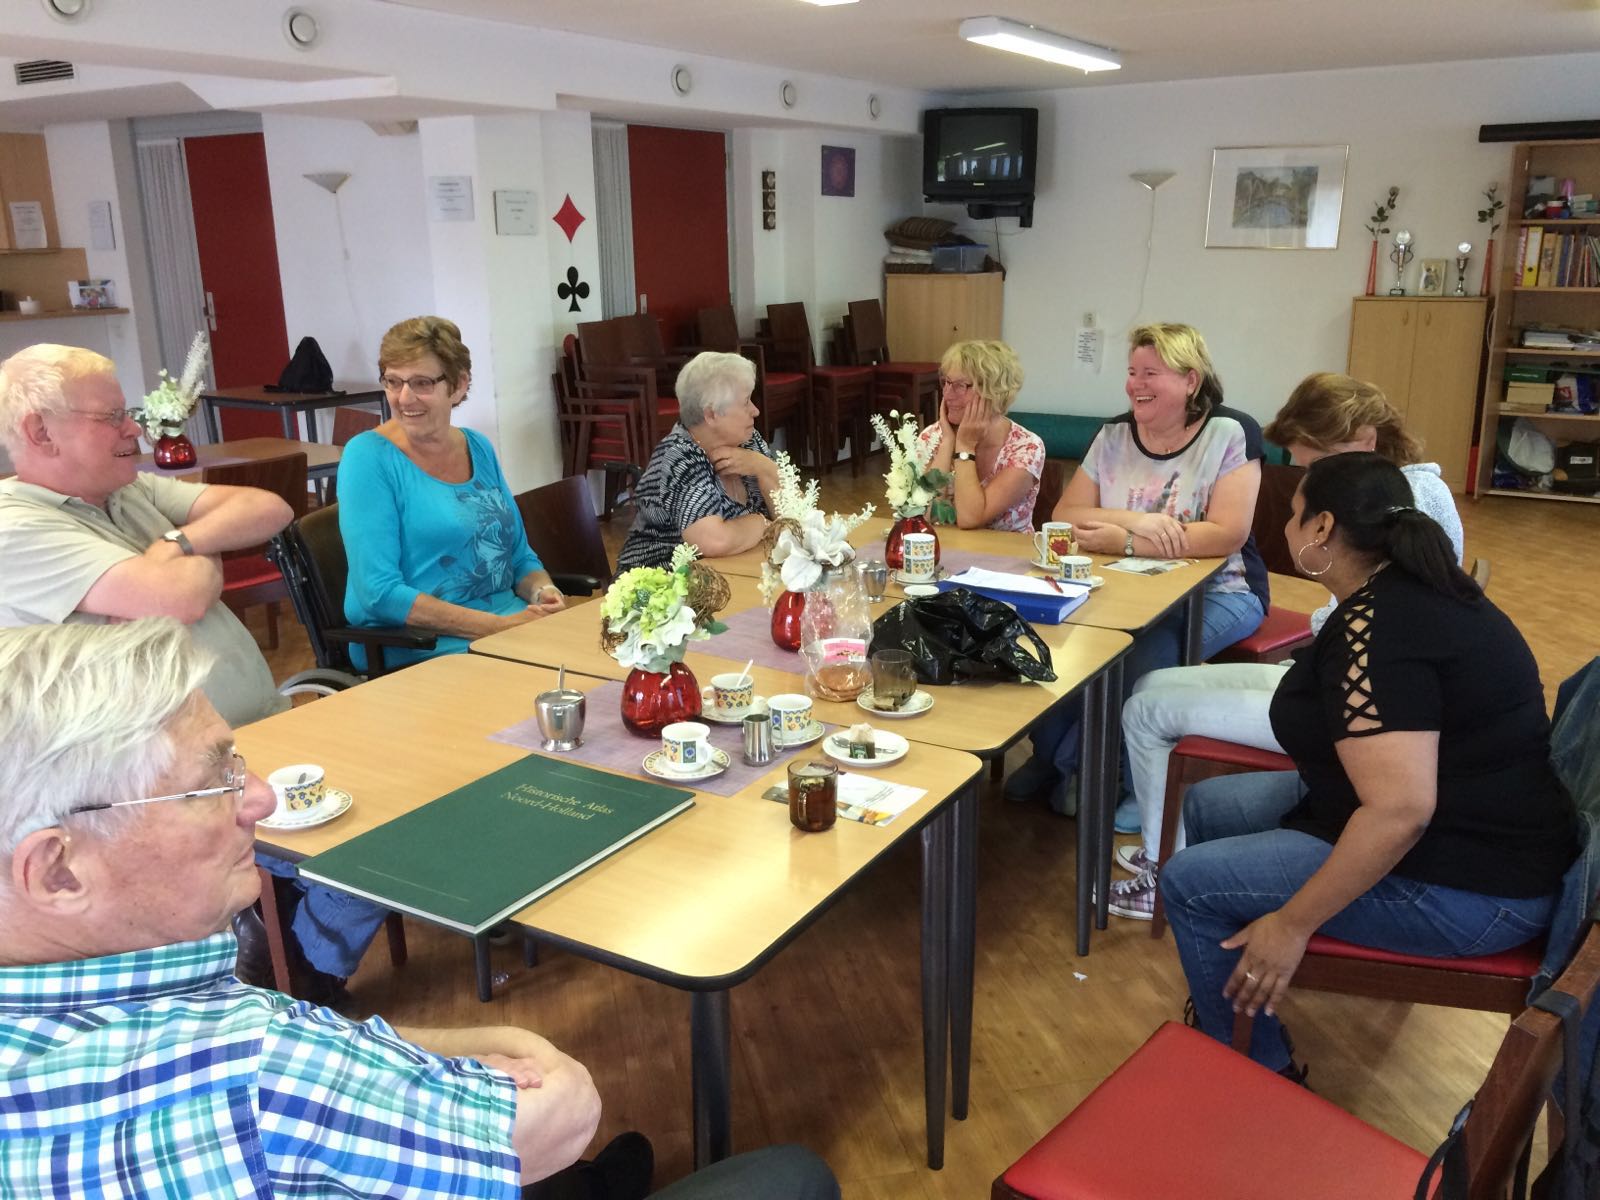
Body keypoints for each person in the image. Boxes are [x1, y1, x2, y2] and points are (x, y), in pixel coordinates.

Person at [0, 619, 841, 1199]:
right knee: (791, 1175)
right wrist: (534, 1062)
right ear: (59, 871)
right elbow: (559, 1118)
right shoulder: (252, 1070)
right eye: (212, 781)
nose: (256, 796)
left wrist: (411, 1046)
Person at [1161, 453, 1577, 1073]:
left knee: (1189, 883)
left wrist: (1294, 924)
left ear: (1323, 528)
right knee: (1208, 805)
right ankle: (1237, 996)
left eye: (1296, 513)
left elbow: (1402, 811)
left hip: (1475, 887)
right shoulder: (1404, 590)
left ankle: (1258, 1069)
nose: (1286, 526)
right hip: (1465, 831)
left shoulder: (1378, 634)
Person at [1107, 372, 1466, 919]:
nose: (1307, 482)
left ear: (1365, 442)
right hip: (1330, 675)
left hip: (1351, 708)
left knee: (1145, 709)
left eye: (1314, 466)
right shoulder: (1398, 495)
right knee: (1152, 684)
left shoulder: (1406, 504)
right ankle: (1172, 853)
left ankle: (1164, 872)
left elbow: (1377, 648)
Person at [1004, 323, 1267, 816]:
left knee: (1135, 665)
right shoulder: (1113, 434)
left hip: (1223, 591)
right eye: (1131, 372)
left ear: (1191, 380)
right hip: (1120, 588)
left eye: (1151, 373)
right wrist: (1139, 522)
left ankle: (1111, 778)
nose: (1135, 384)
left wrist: (1124, 539)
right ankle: (1051, 757)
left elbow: (1225, 534)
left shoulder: (1230, 432)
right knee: (1049, 643)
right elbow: (1065, 514)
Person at [0, 342, 290, 728]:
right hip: (162, 776)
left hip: (260, 727)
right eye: (112, 416)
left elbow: (270, 508)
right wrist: (209, 542)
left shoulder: (127, 489)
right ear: (41, 432)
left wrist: (177, 543)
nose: (134, 428)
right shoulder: (14, 527)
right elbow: (179, 598)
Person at [338, 315, 566, 670]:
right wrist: (499, 628)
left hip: (509, 631)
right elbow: (378, 593)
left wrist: (543, 592)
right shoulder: (367, 458)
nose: (404, 397)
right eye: (393, 382)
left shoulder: (478, 447)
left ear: (458, 385)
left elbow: (518, 556)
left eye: (422, 382)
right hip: (423, 646)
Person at [617, 351, 777, 570]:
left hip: (731, 574)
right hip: (661, 590)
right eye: (746, 402)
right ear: (711, 415)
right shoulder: (679, 456)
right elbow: (713, 541)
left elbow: (797, 518)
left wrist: (764, 467)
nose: (755, 411)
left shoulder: (747, 441)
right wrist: (763, 524)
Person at [916, 339, 1044, 531]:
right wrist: (947, 444)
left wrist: (965, 447)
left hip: (1006, 556)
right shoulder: (932, 436)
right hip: (947, 553)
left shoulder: (1026, 447)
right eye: (947, 382)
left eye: (960, 385)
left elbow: (970, 518)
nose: (948, 394)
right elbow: (920, 514)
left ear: (993, 393)